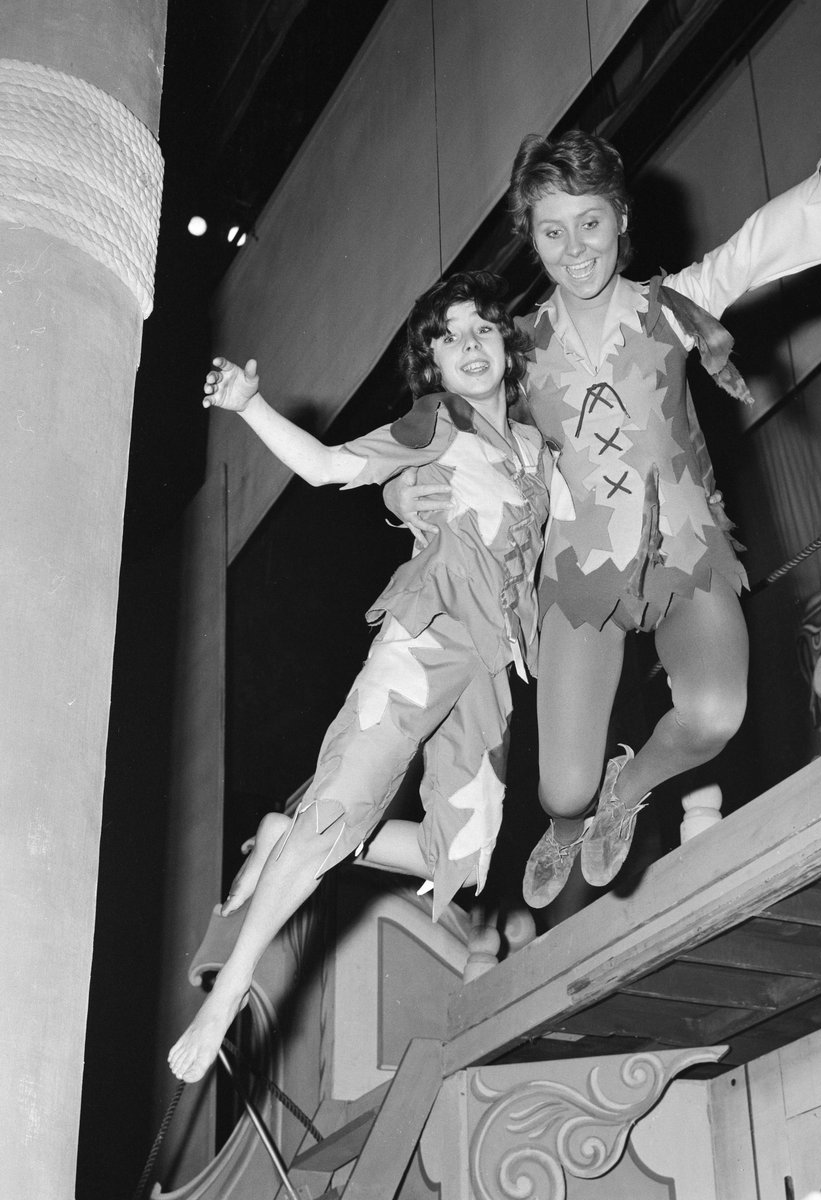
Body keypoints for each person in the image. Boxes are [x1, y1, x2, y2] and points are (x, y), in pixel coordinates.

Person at [387, 69, 821, 909]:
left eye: (591, 224)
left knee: (716, 713)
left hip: (685, 555)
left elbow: (763, 241)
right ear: (530, 242)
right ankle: (577, 815)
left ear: (622, 221)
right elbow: (439, 439)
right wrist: (400, 499)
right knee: (558, 791)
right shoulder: (518, 347)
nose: (576, 250)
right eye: (551, 233)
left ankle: (630, 787)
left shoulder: (672, 307)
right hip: (579, 577)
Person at [168, 270, 551, 1083]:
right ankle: (229, 991)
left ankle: (291, 836)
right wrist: (248, 407)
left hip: (491, 669)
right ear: (435, 365)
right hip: (426, 640)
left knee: (467, 859)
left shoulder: (539, 453)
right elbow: (328, 469)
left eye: (483, 328)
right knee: (342, 804)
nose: (471, 345)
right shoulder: (436, 426)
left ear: (505, 347)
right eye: (450, 337)